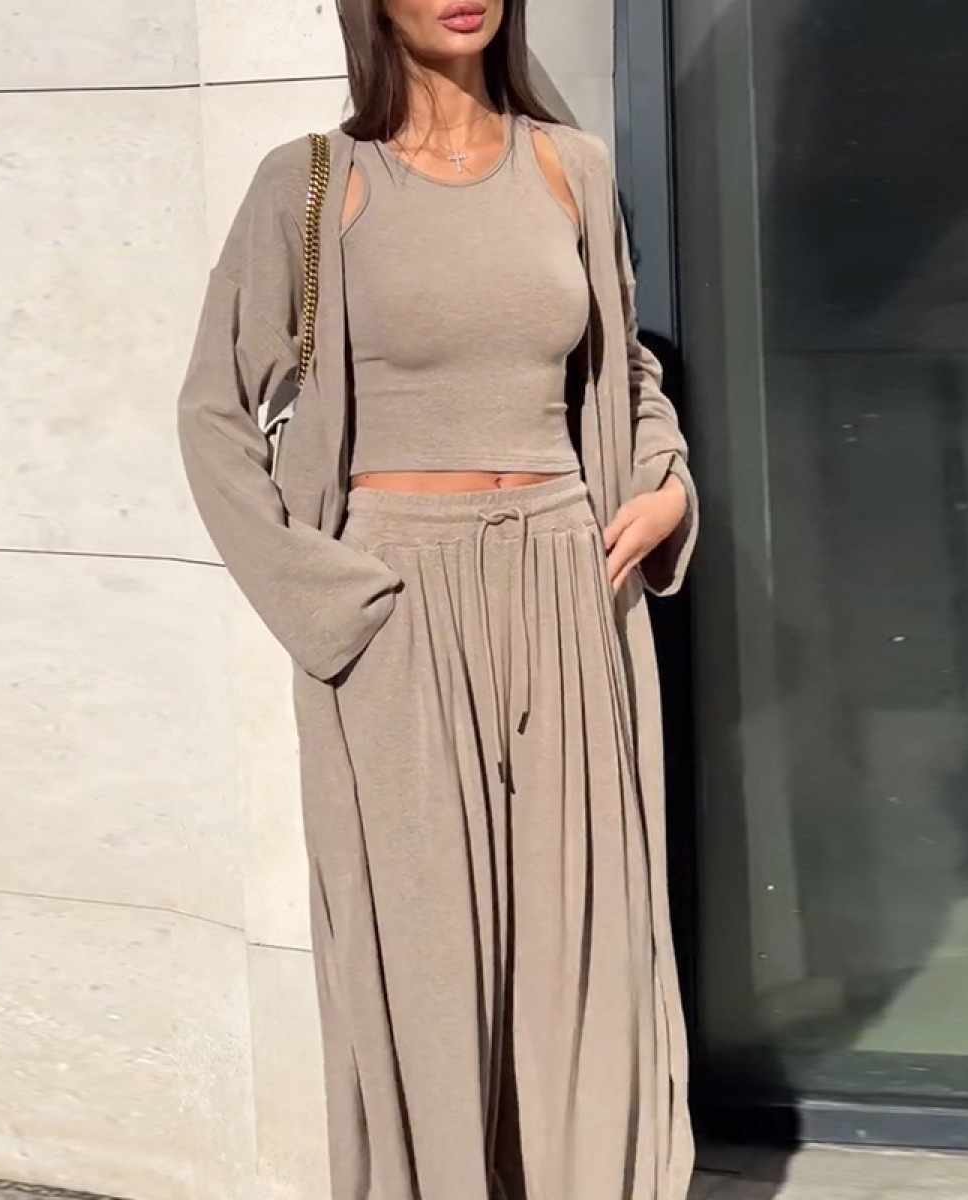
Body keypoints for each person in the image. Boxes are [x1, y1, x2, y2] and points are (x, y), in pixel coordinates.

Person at [177, 2, 698, 1196]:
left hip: (568, 584)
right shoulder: (315, 184)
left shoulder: (570, 166)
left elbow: (623, 367)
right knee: (423, 961)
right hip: (396, 602)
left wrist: (666, 483)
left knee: (582, 947)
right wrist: (330, 605)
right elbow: (213, 410)